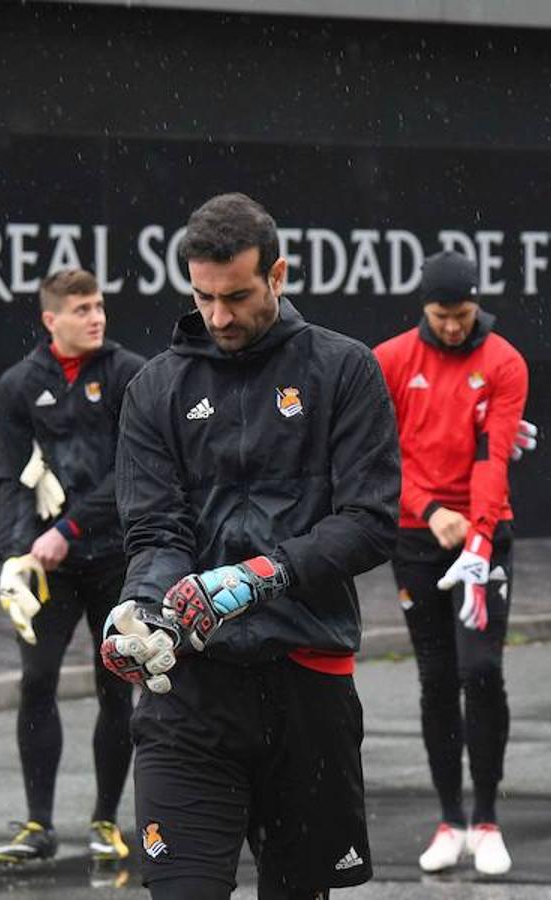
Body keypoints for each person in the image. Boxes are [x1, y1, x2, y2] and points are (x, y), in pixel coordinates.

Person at [99, 192, 401, 900]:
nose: (219, 316)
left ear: (280, 274)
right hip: (189, 694)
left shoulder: (345, 370)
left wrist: (264, 574)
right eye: (203, 297)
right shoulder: (155, 388)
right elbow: (156, 531)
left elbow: (370, 519)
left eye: (236, 295)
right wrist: (140, 613)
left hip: (306, 682)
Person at [372, 250, 531, 877]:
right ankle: (450, 819)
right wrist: (430, 508)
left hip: (485, 534)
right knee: (437, 679)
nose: (454, 326)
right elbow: (380, 455)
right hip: (416, 535)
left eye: (463, 314)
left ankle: (487, 818)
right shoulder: (390, 361)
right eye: (442, 316)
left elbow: (495, 458)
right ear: (424, 310)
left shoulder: (503, 361)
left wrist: (479, 537)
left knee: (482, 670)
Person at [0, 268, 146, 866]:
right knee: (36, 683)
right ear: (50, 320)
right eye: (81, 309)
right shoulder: (17, 386)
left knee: (116, 689)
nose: (95, 317)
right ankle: (38, 825)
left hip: (113, 557)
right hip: (48, 566)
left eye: (99, 305)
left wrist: (69, 528)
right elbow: (11, 476)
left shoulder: (129, 373)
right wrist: (15, 555)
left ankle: (106, 822)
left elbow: (131, 471)